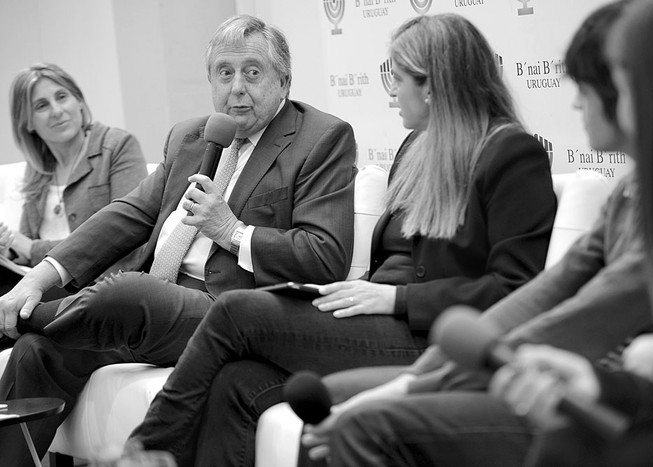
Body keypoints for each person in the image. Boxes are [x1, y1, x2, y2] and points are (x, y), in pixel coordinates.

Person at [123, 12, 557, 467]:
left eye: (398, 76)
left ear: (432, 84)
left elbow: (516, 288)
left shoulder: (510, 153)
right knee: (236, 380)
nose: (390, 93)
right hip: (375, 317)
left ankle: (143, 453)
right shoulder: (416, 148)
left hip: (433, 336)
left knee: (235, 311)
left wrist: (396, 299)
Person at [301, 2, 653, 466]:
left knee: (363, 421)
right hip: (557, 376)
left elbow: (584, 312)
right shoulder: (629, 190)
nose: (574, 103)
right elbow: (547, 294)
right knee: (332, 403)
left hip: (626, 399)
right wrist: (412, 381)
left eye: (586, 88)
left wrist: (415, 382)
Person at [0, 15, 357, 467]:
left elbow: (325, 256)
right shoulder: (191, 135)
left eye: (253, 72)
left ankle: (23, 318)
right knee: (37, 352)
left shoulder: (321, 138)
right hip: (148, 315)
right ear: (210, 80)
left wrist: (231, 231)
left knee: (132, 290)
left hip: (229, 313)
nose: (237, 88)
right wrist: (42, 274)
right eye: (224, 73)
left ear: (283, 79)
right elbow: (131, 214)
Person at [491, 0, 653, 465]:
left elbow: (581, 304)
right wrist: (605, 383)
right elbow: (553, 290)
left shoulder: (507, 152)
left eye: (624, 85)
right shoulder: (637, 185)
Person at [0, 63, 147, 296]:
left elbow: (125, 235)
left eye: (62, 97)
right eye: (41, 106)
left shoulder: (117, 146)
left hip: (104, 291)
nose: (56, 111)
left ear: (79, 101)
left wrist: (31, 249)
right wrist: (7, 249)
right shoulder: (37, 170)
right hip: (47, 292)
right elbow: (24, 245)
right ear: (27, 123)